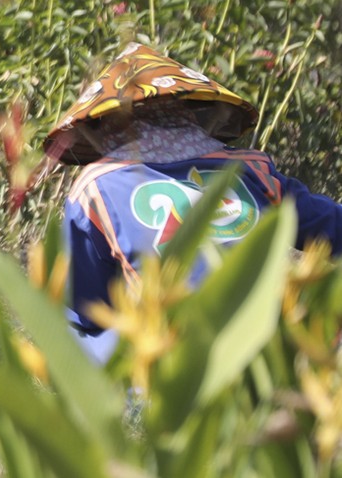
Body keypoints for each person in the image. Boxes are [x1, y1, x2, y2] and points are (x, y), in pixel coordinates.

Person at [52, 41, 342, 358]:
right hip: (274, 347)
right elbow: (332, 226)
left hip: (176, 359)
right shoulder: (251, 169)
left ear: (98, 128)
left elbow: (84, 311)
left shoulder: (96, 188)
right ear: (195, 113)